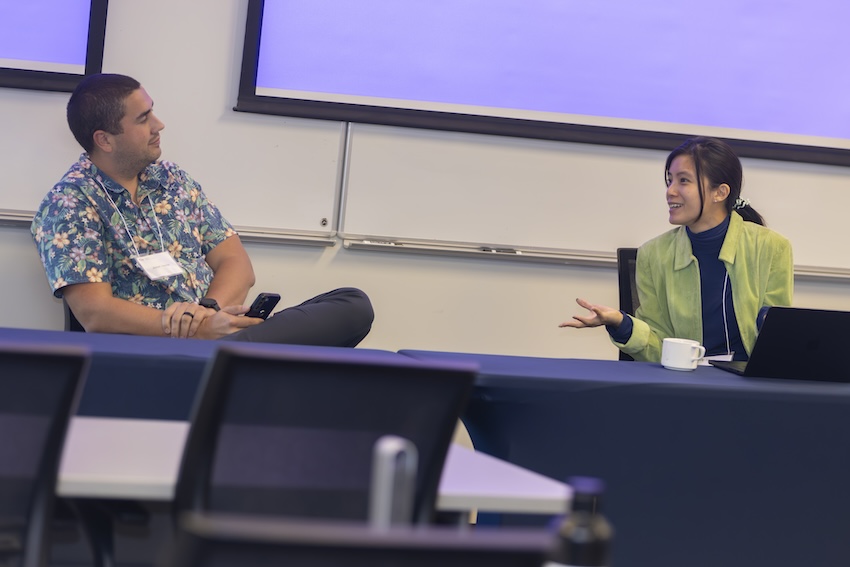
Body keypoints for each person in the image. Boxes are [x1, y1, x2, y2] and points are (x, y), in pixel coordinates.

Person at [31, 73, 373, 346]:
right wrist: (190, 331)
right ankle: (241, 356)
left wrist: (208, 314)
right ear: (104, 139)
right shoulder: (70, 202)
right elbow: (94, 313)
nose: (159, 125)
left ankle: (236, 353)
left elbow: (235, 263)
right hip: (153, 348)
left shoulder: (172, 179)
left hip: (215, 327)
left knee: (352, 303)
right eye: (144, 118)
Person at [560, 136, 793, 362]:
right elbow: (656, 347)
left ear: (720, 192)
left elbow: (777, 340)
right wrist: (622, 324)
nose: (670, 191)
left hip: (748, 388)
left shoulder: (771, 248)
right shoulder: (653, 255)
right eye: (670, 180)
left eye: (683, 180)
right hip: (685, 383)